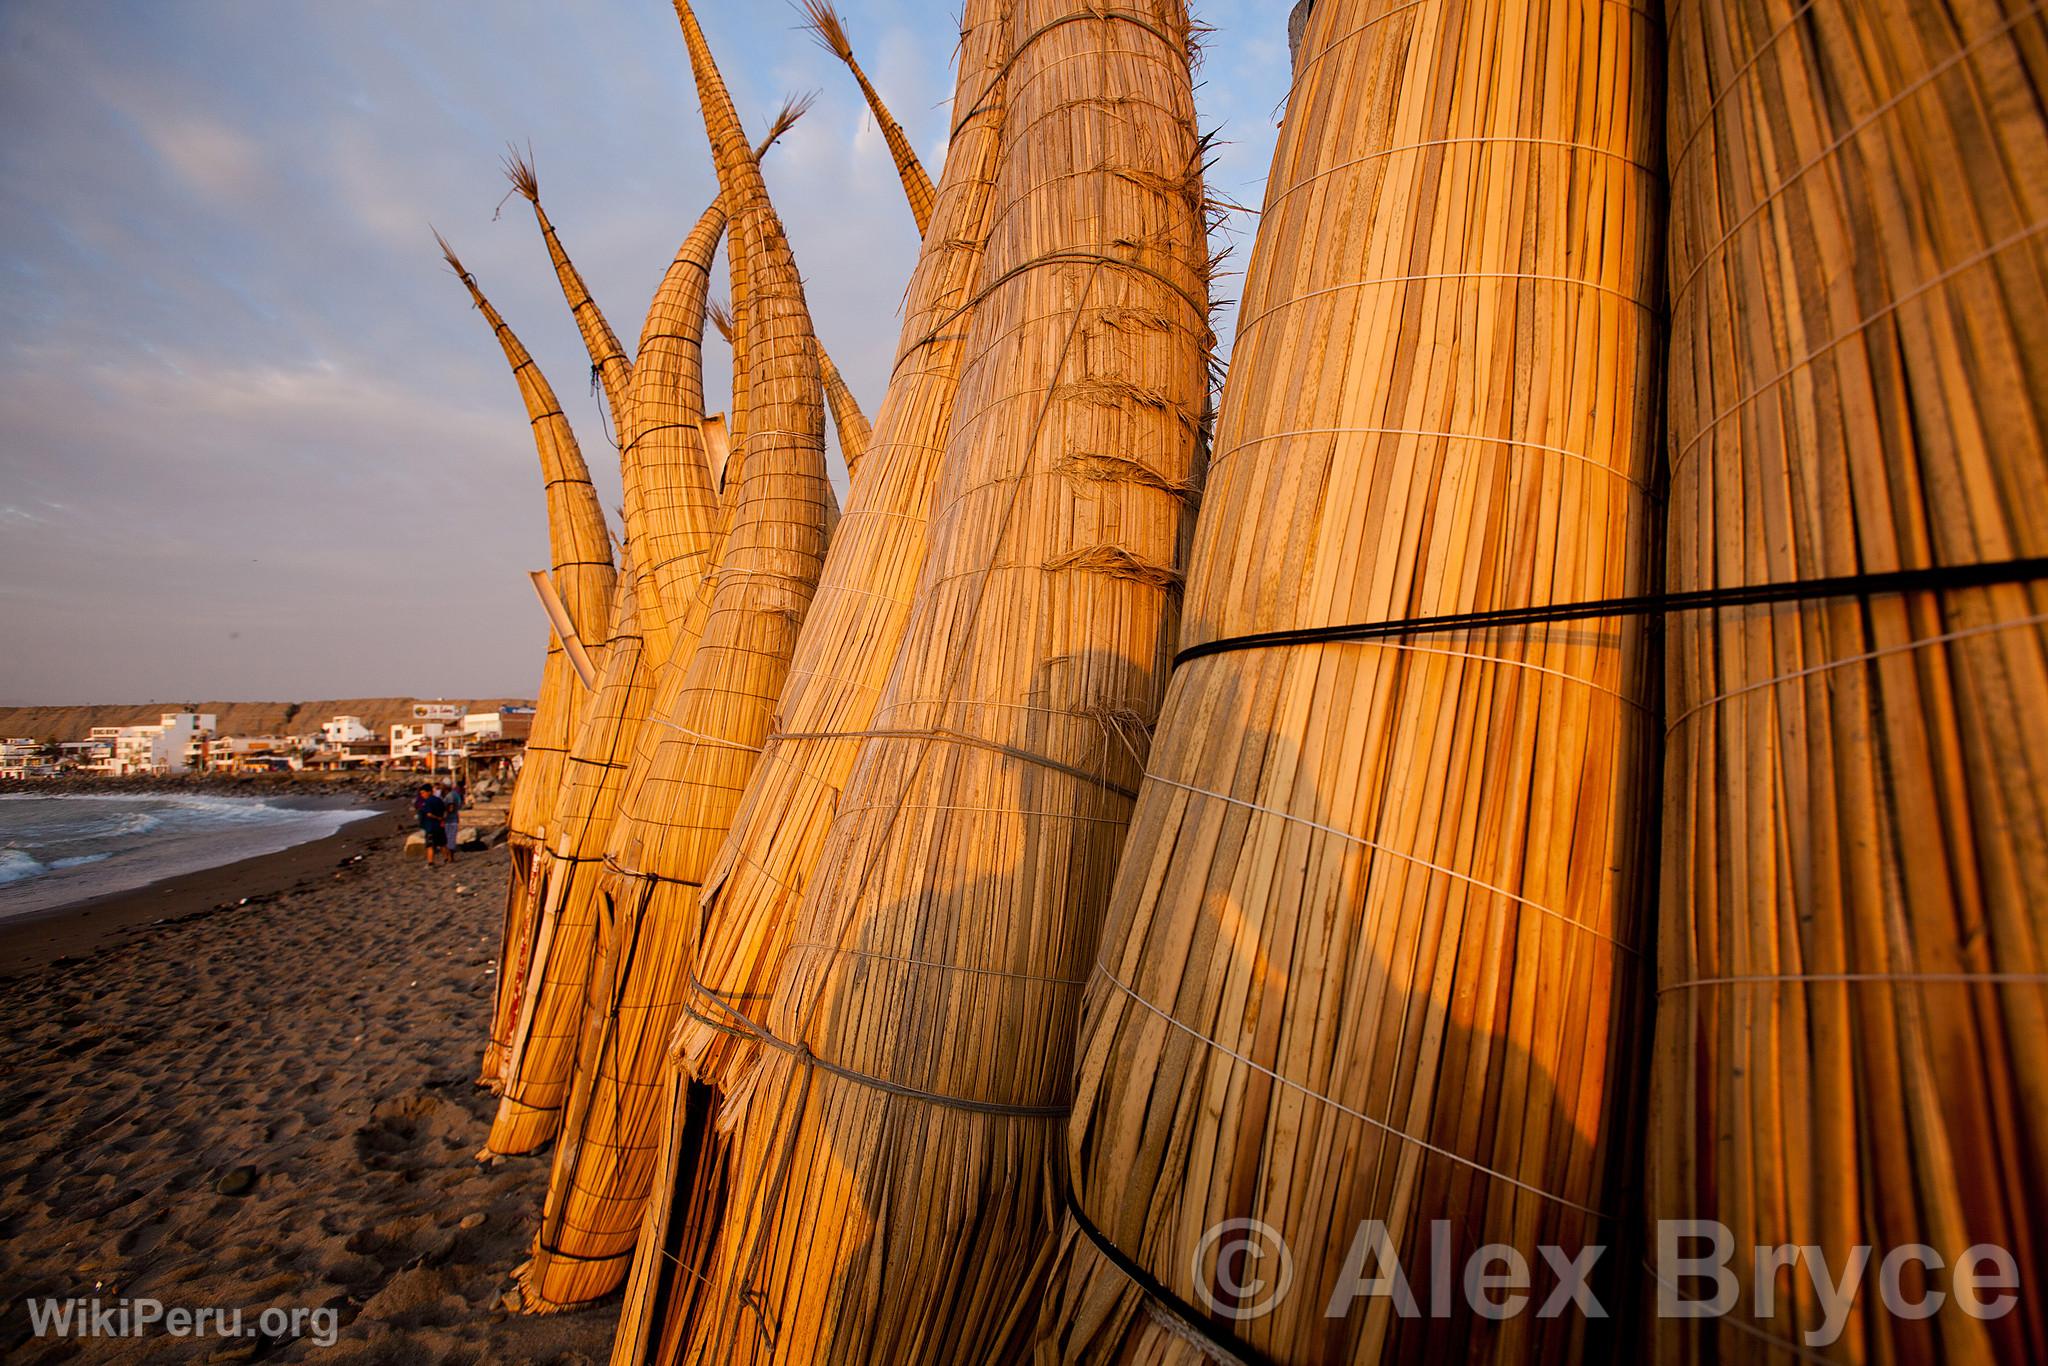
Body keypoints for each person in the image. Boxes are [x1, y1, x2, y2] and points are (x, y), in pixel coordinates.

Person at [415, 783, 448, 866]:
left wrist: (438, 818)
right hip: (439, 826)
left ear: (429, 792)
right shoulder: (439, 800)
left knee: (430, 845)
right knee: (442, 844)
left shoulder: (428, 802)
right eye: (421, 793)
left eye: (423, 793)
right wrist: (442, 819)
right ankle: (447, 858)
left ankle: (430, 862)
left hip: (431, 826)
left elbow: (429, 814)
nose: (422, 795)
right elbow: (445, 811)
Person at [442, 780, 465, 860]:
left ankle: (450, 857)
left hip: (450, 819)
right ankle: (450, 856)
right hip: (454, 818)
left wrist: (444, 815)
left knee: (449, 838)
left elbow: (451, 807)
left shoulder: (450, 796)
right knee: (451, 838)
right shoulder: (455, 794)